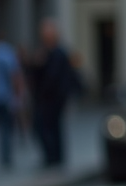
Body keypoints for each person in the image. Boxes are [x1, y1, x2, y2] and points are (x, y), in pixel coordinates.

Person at [28, 19, 81, 167]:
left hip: (53, 98)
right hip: (46, 97)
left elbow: (54, 77)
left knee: (50, 126)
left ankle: (54, 157)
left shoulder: (58, 53)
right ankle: (52, 156)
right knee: (46, 127)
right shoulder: (44, 53)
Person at [0, 32, 23, 168]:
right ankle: (7, 157)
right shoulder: (8, 52)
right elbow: (16, 76)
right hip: (6, 97)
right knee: (7, 128)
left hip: (5, 96)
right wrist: (18, 96)